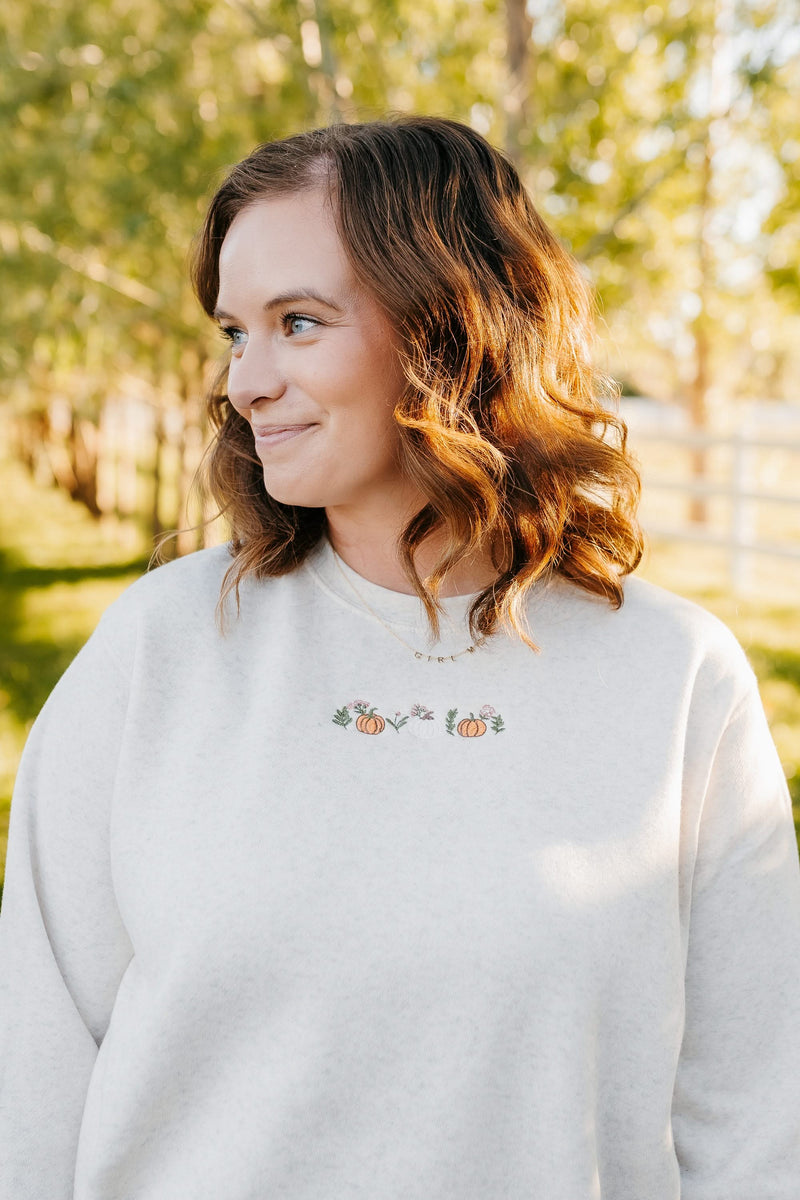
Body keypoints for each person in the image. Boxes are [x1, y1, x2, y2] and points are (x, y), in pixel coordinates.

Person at [1, 115, 799, 1200]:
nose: (245, 381)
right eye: (236, 331)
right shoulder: (160, 651)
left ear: (453, 326)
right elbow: (33, 1073)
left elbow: (754, 1121)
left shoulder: (675, 682)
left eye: (298, 321)